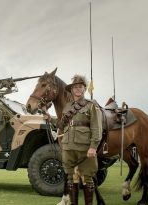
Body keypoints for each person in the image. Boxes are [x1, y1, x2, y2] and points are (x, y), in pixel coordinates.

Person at [59, 74, 102, 205]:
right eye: (75, 87)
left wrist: (93, 146)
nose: (77, 89)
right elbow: (61, 126)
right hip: (68, 146)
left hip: (84, 147)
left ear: (84, 89)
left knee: (88, 179)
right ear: (71, 90)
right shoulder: (67, 107)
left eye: (80, 87)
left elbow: (96, 127)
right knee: (71, 178)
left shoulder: (91, 105)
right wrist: (50, 118)